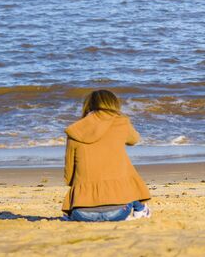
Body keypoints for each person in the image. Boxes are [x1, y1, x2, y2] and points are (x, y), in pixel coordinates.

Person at [62, 90, 151, 222]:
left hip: (81, 213)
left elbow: (69, 176)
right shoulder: (121, 122)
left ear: (87, 105)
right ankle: (140, 209)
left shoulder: (76, 130)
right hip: (119, 211)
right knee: (126, 168)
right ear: (113, 104)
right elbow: (134, 140)